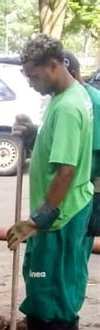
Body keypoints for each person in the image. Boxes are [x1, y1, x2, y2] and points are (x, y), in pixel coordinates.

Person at [8, 34, 94, 330]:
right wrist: (33, 135)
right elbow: (56, 145)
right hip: (55, 212)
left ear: (54, 66)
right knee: (39, 274)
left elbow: (67, 169)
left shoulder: (71, 106)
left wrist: (41, 217)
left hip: (62, 213)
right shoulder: (64, 98)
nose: (31, 83)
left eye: (33, 76)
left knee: (57, 280)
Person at [63, 49, 100, 237]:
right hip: (67, 195)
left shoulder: (94, 101)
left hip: (86, 193)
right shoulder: (64, 99)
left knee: (77, 250)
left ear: (73, 74)